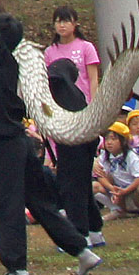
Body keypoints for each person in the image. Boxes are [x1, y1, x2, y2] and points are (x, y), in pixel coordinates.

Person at [0, 0, 101, 275]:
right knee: (39, 203)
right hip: (18, 143)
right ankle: (81, 249)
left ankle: (17, 268)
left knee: (4, 206)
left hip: (9, 143)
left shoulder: (6, 62)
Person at [46, 59, 104, 248]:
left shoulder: (61, 93)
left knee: (72, 189)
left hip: (73, 146)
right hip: (82, 145)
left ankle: (80, 233)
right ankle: (94, 229)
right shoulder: (75, 94)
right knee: (83, 187)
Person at [93, 122, 139, 220]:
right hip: (117, 192)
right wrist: (112, 188)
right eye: (107, 139)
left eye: (114, 139)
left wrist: (125, 191)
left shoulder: (131, 156)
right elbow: (99, 174)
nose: (109, 142)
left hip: (133, 192)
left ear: (124, 141)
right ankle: (116, 209)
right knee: (94, 186)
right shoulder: (105, 156)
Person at [44, 5, 100, 102]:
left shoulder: (86, 47)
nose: (62, 25)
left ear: (75, 24)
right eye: (58, 22)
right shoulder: (49, 52)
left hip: (84, 103)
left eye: (66, 21)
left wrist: (94, 104)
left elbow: (93, 80)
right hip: (59, 106)